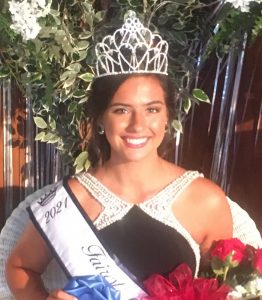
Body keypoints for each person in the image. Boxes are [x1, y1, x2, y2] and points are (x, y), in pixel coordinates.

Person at [4, 12, 262, 300]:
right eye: (121, 110)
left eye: (151, 109)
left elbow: (225, 288)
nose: (138, 125)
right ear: (100, 119)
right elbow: (19, 266)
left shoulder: (205, 201)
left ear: (167, 117)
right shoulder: (68, 203)